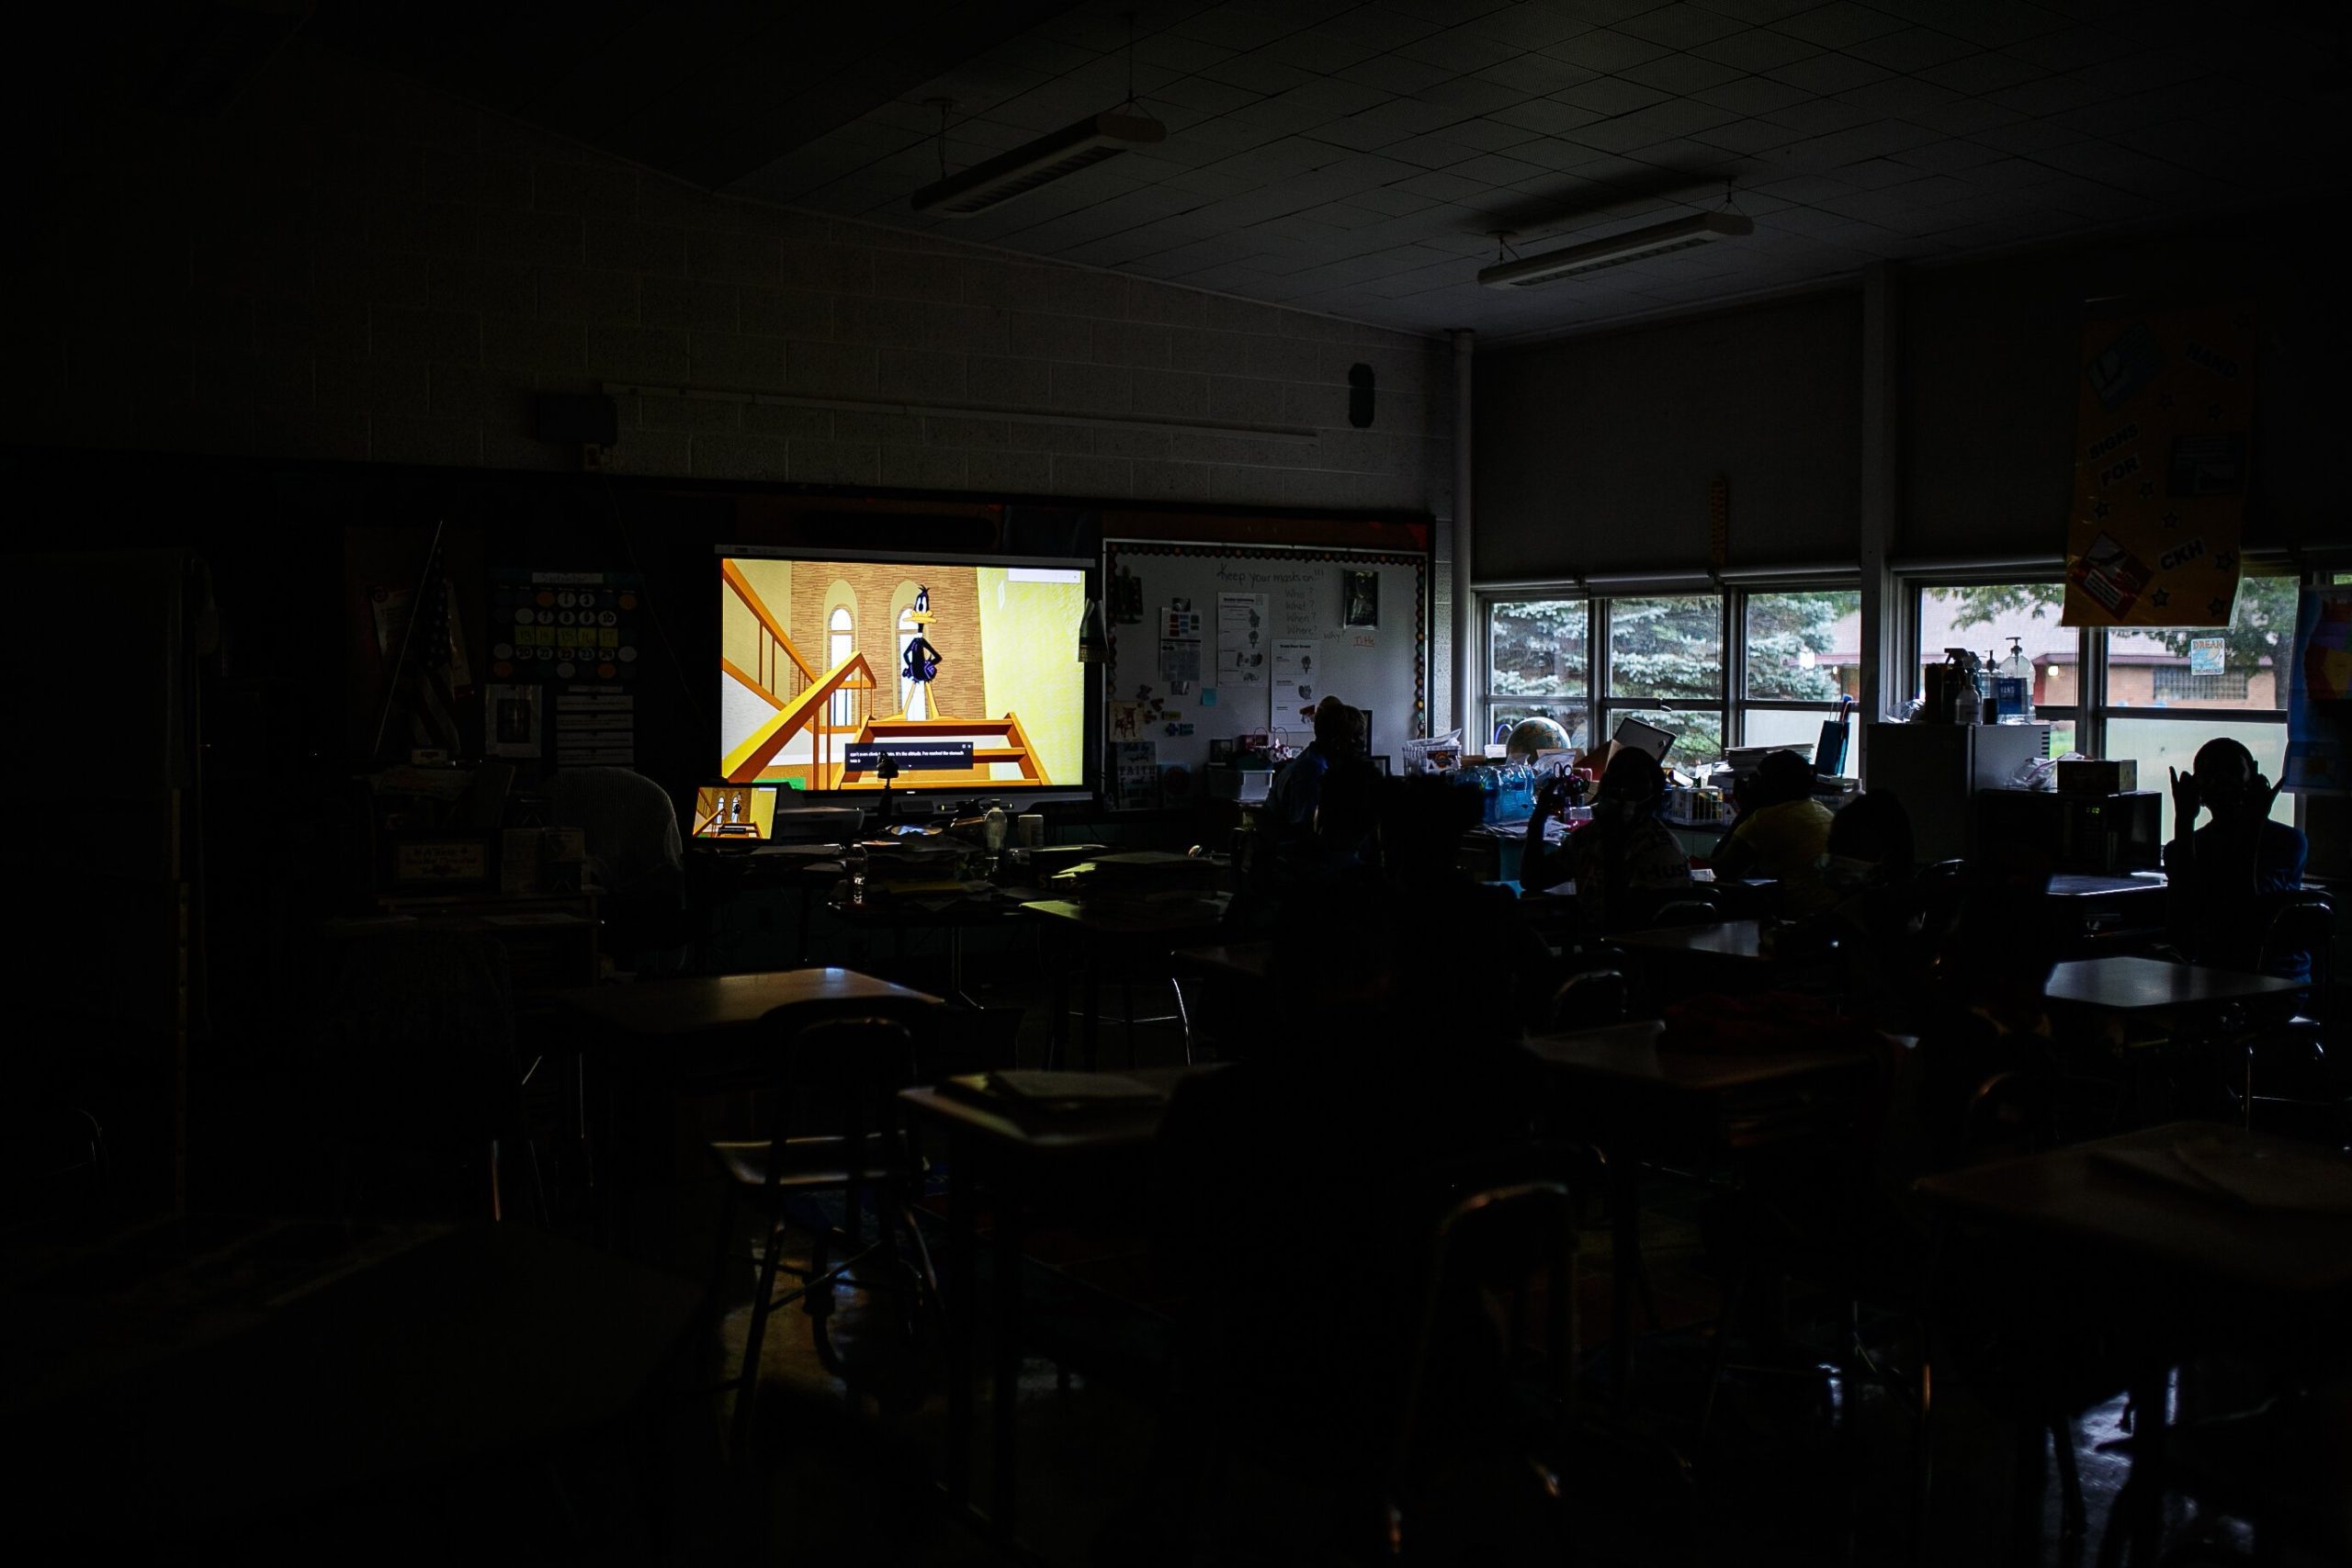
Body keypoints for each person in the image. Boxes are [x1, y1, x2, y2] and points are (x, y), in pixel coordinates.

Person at [2165, 736, 2310, 979]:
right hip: (2217, 975)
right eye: (2209, 773)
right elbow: (2182, 923)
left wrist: (2185, 821)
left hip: (2274, 980)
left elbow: (2244, 917)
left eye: (2232, 771)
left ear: (2252, 776)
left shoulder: (2287, 843)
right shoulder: (2184, 847)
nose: (2221, 783)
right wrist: (2184, 821)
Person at [1521, 745, 1692, 933]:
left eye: (1626, 787)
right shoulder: (1664, 841)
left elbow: (1621, 923)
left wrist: (1539, 818)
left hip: (1626, 953)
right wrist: (1539, 818)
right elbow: (1534, 879)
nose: (1618, 793)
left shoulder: (1647, 847)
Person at [1710, 748, 1836, 916]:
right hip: (1833, 911)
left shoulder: (1765, 820)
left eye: (1757, 777)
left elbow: (1722, 868)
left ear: (1770, 785)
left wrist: (1747, 810)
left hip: (1802, 915)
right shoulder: (1822, 811)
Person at [1262, 695, 1373, 877]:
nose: (1360, 745)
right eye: (1355, 738)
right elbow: (1304, 831)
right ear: (1338, 741)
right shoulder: (1312, 769)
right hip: (1293, 862)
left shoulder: (1311, 760)